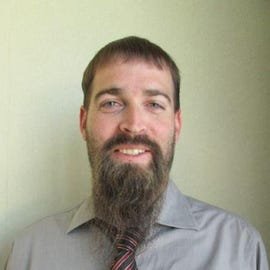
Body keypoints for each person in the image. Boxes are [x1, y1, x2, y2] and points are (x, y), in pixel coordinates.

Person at [5, 36, 269, 270]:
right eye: (111, 103)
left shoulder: (240, 248)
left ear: (176, 125)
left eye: (154, 104)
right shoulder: (28, 253)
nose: (133, 124)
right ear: (83, 121)